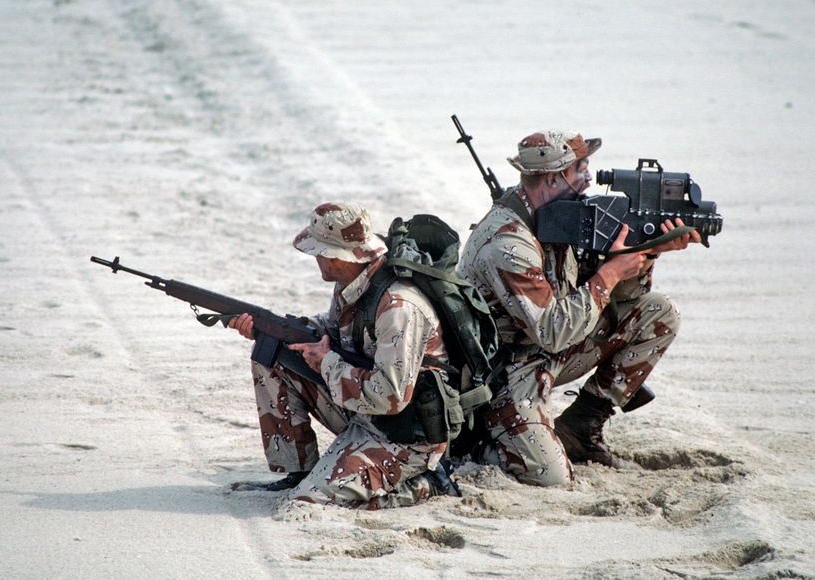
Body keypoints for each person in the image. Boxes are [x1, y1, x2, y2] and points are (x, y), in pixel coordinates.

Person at [457, 130, 700, 484]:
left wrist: (646, 251)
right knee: (549, 477)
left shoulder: (558, 216)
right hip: (505, 370)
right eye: (581, 169)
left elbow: (621, 299)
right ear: (553, 177)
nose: (588, 178)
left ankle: (581, 427)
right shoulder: (508, 241)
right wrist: (610, 273)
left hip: (544, 351)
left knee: (657, 313)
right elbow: (553, 332)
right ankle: (474, 445)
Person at [227, 201, 460, 508]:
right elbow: (335, 332)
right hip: (366, 410)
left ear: (338, 256)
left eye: (319, 252)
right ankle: (299, 472)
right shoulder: (352, 282)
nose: (316, 258)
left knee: (312, 501)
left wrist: (327, 363)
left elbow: (390, 395)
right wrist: (275, 330)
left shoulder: (399, 307)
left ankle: (426, 484)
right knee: (274, 354)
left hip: (405, 433)